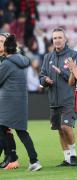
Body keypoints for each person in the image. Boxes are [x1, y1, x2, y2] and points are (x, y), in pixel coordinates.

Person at [0, 34, 42, 171]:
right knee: (21, 132)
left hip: (8, 102)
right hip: (20, 101)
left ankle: (13, 158)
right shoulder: (22, 61)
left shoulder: (6, 63)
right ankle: (33, 161)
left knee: (3, 130)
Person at [39, 28, 77, 166]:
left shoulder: (73, 55)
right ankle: (67, 158)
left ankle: (73, 154)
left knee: (66, 127)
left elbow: (76, 78)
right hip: (53, 100)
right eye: (55, 38)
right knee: (60, 130)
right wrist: (45, 80)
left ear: (65, 39)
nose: (57, 40)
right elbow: (41, 76)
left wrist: (61, 72)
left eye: (60, 37)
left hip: (68, 99)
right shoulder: (47, 57)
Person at [0, 32, 17, 168]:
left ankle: (11, 158)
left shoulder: (10, 59)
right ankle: (9, 158)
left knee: (5, 129)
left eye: (2, 41)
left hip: (7, 98)